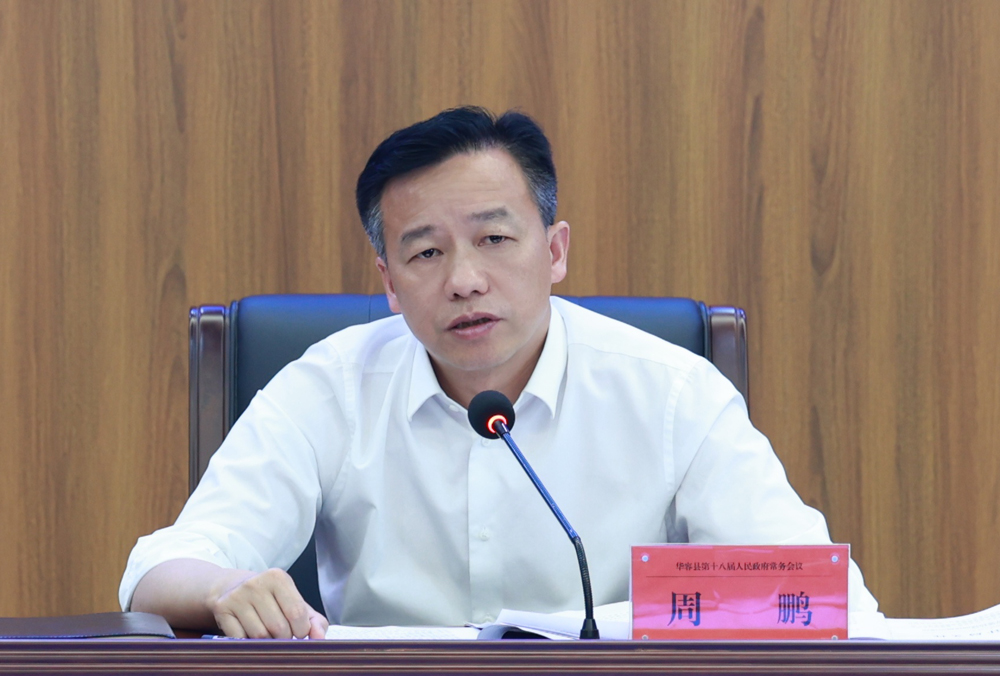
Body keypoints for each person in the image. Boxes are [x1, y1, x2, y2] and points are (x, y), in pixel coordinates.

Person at [121, 107, 880, 639]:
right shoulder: (328, 388)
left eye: (493, 239)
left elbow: (820, 595)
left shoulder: (673, 395)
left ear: (554, 251)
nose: (464, 280)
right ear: (389, 282)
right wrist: (224, 586)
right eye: (426, 252)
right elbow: (157, 569)